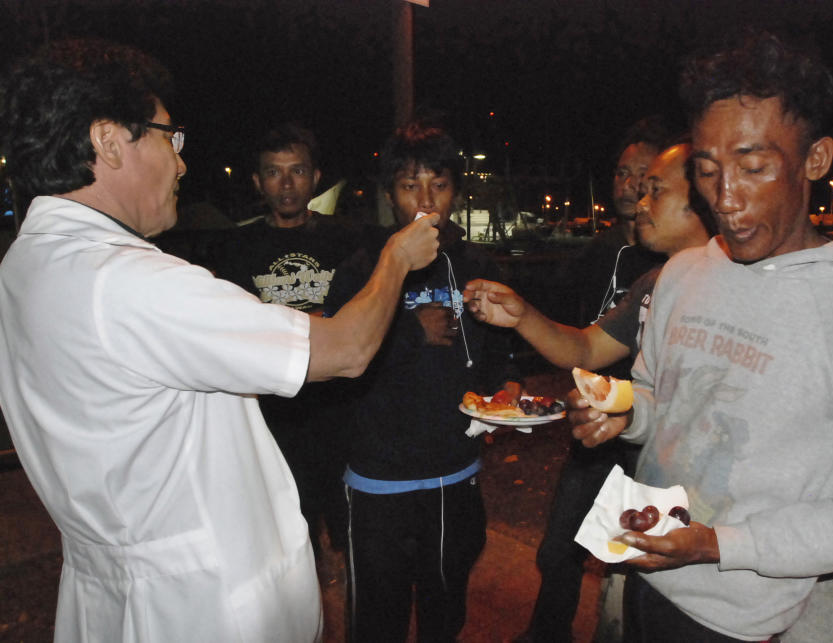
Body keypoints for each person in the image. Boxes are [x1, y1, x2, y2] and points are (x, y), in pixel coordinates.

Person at [0, 39, 439, 643]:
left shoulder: (24, 268)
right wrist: (397, 256)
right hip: (204, 606)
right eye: (166, 137)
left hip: (113, 596)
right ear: (107, 140)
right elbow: (347, 348)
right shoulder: (131, 283)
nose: (180, 164)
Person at [567, 32, 833, 642]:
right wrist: (622, 418)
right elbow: (658, 397)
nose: (726, 198)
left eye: (754, 167)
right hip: (640, 569)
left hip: (738, 619)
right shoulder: (684, 273)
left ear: (815, 160)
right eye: (708, 171)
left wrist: (720, 545)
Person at [465, 141, 716, 643]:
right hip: (621, 449)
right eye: (637, 188)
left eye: (655, 191)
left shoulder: (732, 286)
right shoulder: (655, 283)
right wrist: (522, 316)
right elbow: (585, 347)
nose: (639, 203)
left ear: (703, 198)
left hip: (692, 487)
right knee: (586, 567)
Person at [334, 120, 511, 642]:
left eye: (439, 184)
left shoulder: (477, 263)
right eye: (410, 185)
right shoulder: (362, 269)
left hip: (455, 472)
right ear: (389, 193)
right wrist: (408, 331)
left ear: (456, 190)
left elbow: (499, 353)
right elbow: (340, 366)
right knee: (376, 619)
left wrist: (509, 390)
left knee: (445, 608)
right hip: (378, 479)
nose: (426, 199)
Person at [208, 123, 367, 553]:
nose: (286, 183)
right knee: (293, 546)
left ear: (316, 177)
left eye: (297, 170)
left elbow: (370, 312)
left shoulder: (349, 238)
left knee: (355, 541)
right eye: (273, 172)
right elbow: (232, 331)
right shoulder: (235, 247)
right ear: (258, 181)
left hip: (344, 414)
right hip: (275, 422)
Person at [564, 117, 669, 333]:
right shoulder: (596, 251)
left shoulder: (669, 259)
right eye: (622, 173)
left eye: (642, 173)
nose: (628, 184)